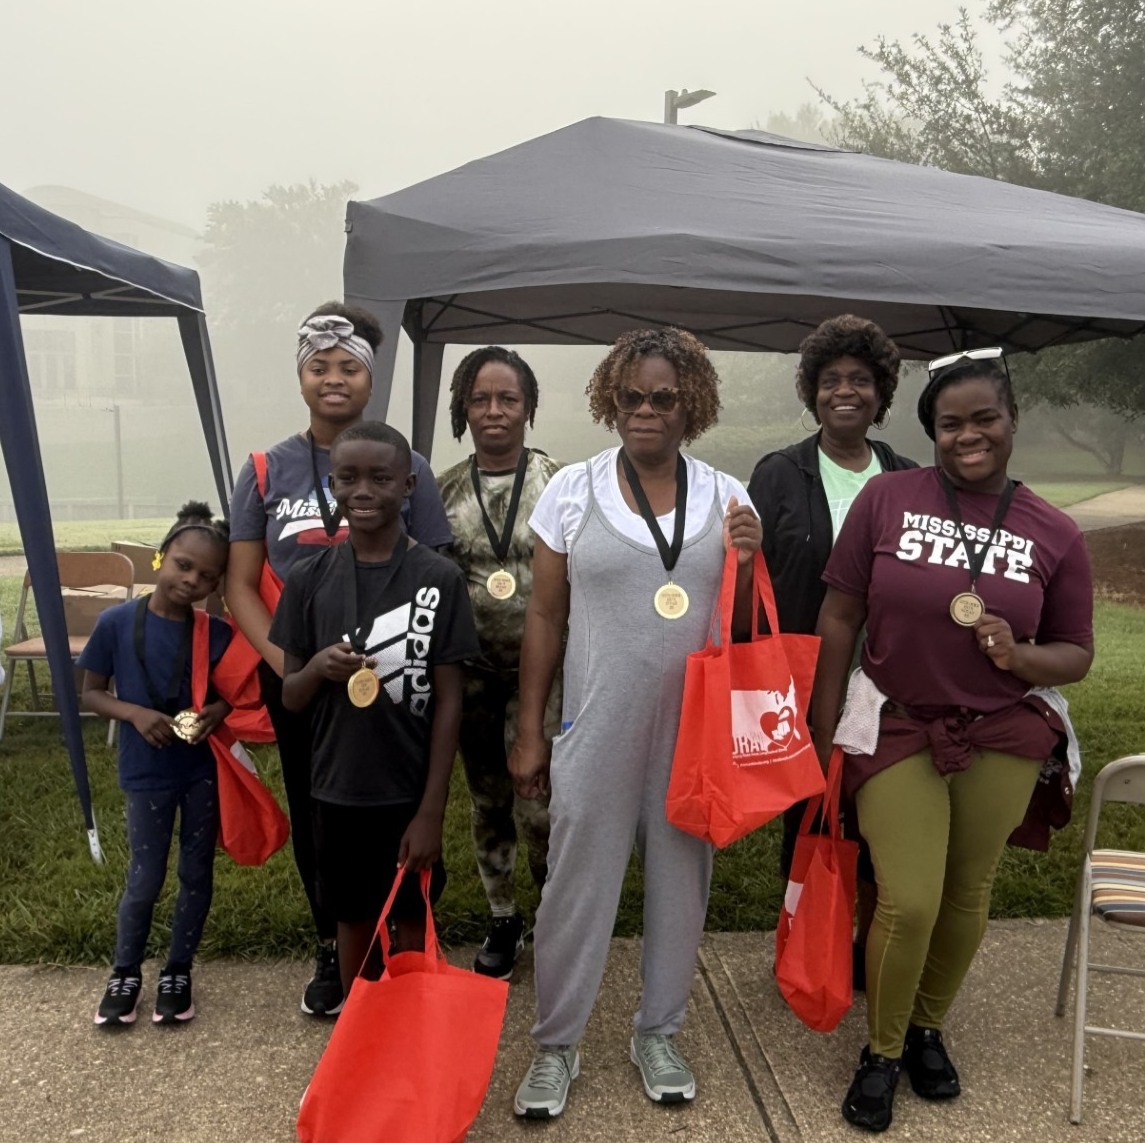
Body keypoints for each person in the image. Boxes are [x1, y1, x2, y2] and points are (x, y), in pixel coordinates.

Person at [810, 348, 1094, 1132]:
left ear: (1010, 421)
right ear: (930, 430)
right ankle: (881, 1049)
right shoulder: (886, 497)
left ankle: (927, 1028)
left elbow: (1075, 649)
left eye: (983, 419)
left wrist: (1019, 655)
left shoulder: (1054, 530)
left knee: (969, 892)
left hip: (1000, 732)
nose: (967, 435)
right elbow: (838, 616)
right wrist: (819, 725)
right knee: (908, 895)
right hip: (897, 723)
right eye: (949, 423)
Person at [509, 328, 763, 1119]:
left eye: (663, 398)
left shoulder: (728, 495)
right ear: (609, 399)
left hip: (693, 734)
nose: (645, 411)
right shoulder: (573, 490)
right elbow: (545, 616)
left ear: (692, 403)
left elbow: (747, 621)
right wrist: (529, 730)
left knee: (681, 885)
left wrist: (751, 563)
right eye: (631, 397)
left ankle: (657, 1031)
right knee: (573, 886)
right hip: (597, 722)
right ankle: (556, 1043)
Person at [226, 302, 453, 1018]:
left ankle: (404, 931)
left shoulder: (402, 463)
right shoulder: (265, 468)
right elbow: (240, 580)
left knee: (402, 795)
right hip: (298, 671)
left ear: (369, 378)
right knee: (320, 810)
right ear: (300, 376)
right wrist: (293, 660)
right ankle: (334, 938)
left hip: (396, 667)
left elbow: (434, 568)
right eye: (319, 366)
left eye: (348, 366)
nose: (333, 378)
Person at [268, 422, 480, 993]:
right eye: (348, 477)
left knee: (412, 915)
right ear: (331, 484)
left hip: (407, 792)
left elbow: (450, 701)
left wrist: (432, 809)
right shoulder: (308, 580)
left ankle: (409, 1028)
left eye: (380, 478)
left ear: (409, 485)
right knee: (353, 916)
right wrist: (317, 668)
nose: (363, 490)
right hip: (337, 789)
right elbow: (290, 695)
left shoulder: (439, 578)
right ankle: (360, 1021)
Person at [747, 314, 917, 984]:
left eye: (859, 379)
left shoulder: (907, 479)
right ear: (810, 391)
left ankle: (870, 954)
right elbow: (750, 579)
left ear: (881, 392)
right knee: (810, 822)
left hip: (888, 688)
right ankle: (805, 948)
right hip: (802, 680)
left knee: (879, 823)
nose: (843, 391)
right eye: (829, 380)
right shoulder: (779, 473)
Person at [436, 347, 563, 979]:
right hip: (473, 677)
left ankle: (553, 917)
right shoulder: (443, 492)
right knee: (487, 800)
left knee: (539, 804)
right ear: (463, 407)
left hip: (543, 675)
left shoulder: (560, 484)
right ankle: (503, 915)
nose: (493, 411)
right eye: (480, 399)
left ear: (529, 408)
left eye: (507, 399)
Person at [82, 502, 233, 1027]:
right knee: (145, 877)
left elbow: (234, 693)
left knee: (196, 871)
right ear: (160, 559)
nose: (192, 580)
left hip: (200, 773)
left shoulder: (216, 633)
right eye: (183, 565)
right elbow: (93, 693)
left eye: (207, 576)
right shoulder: (116, 623)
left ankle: (177, 969)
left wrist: (217, 709)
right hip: (145, 773)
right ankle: (125, 971)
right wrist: (136, 713)